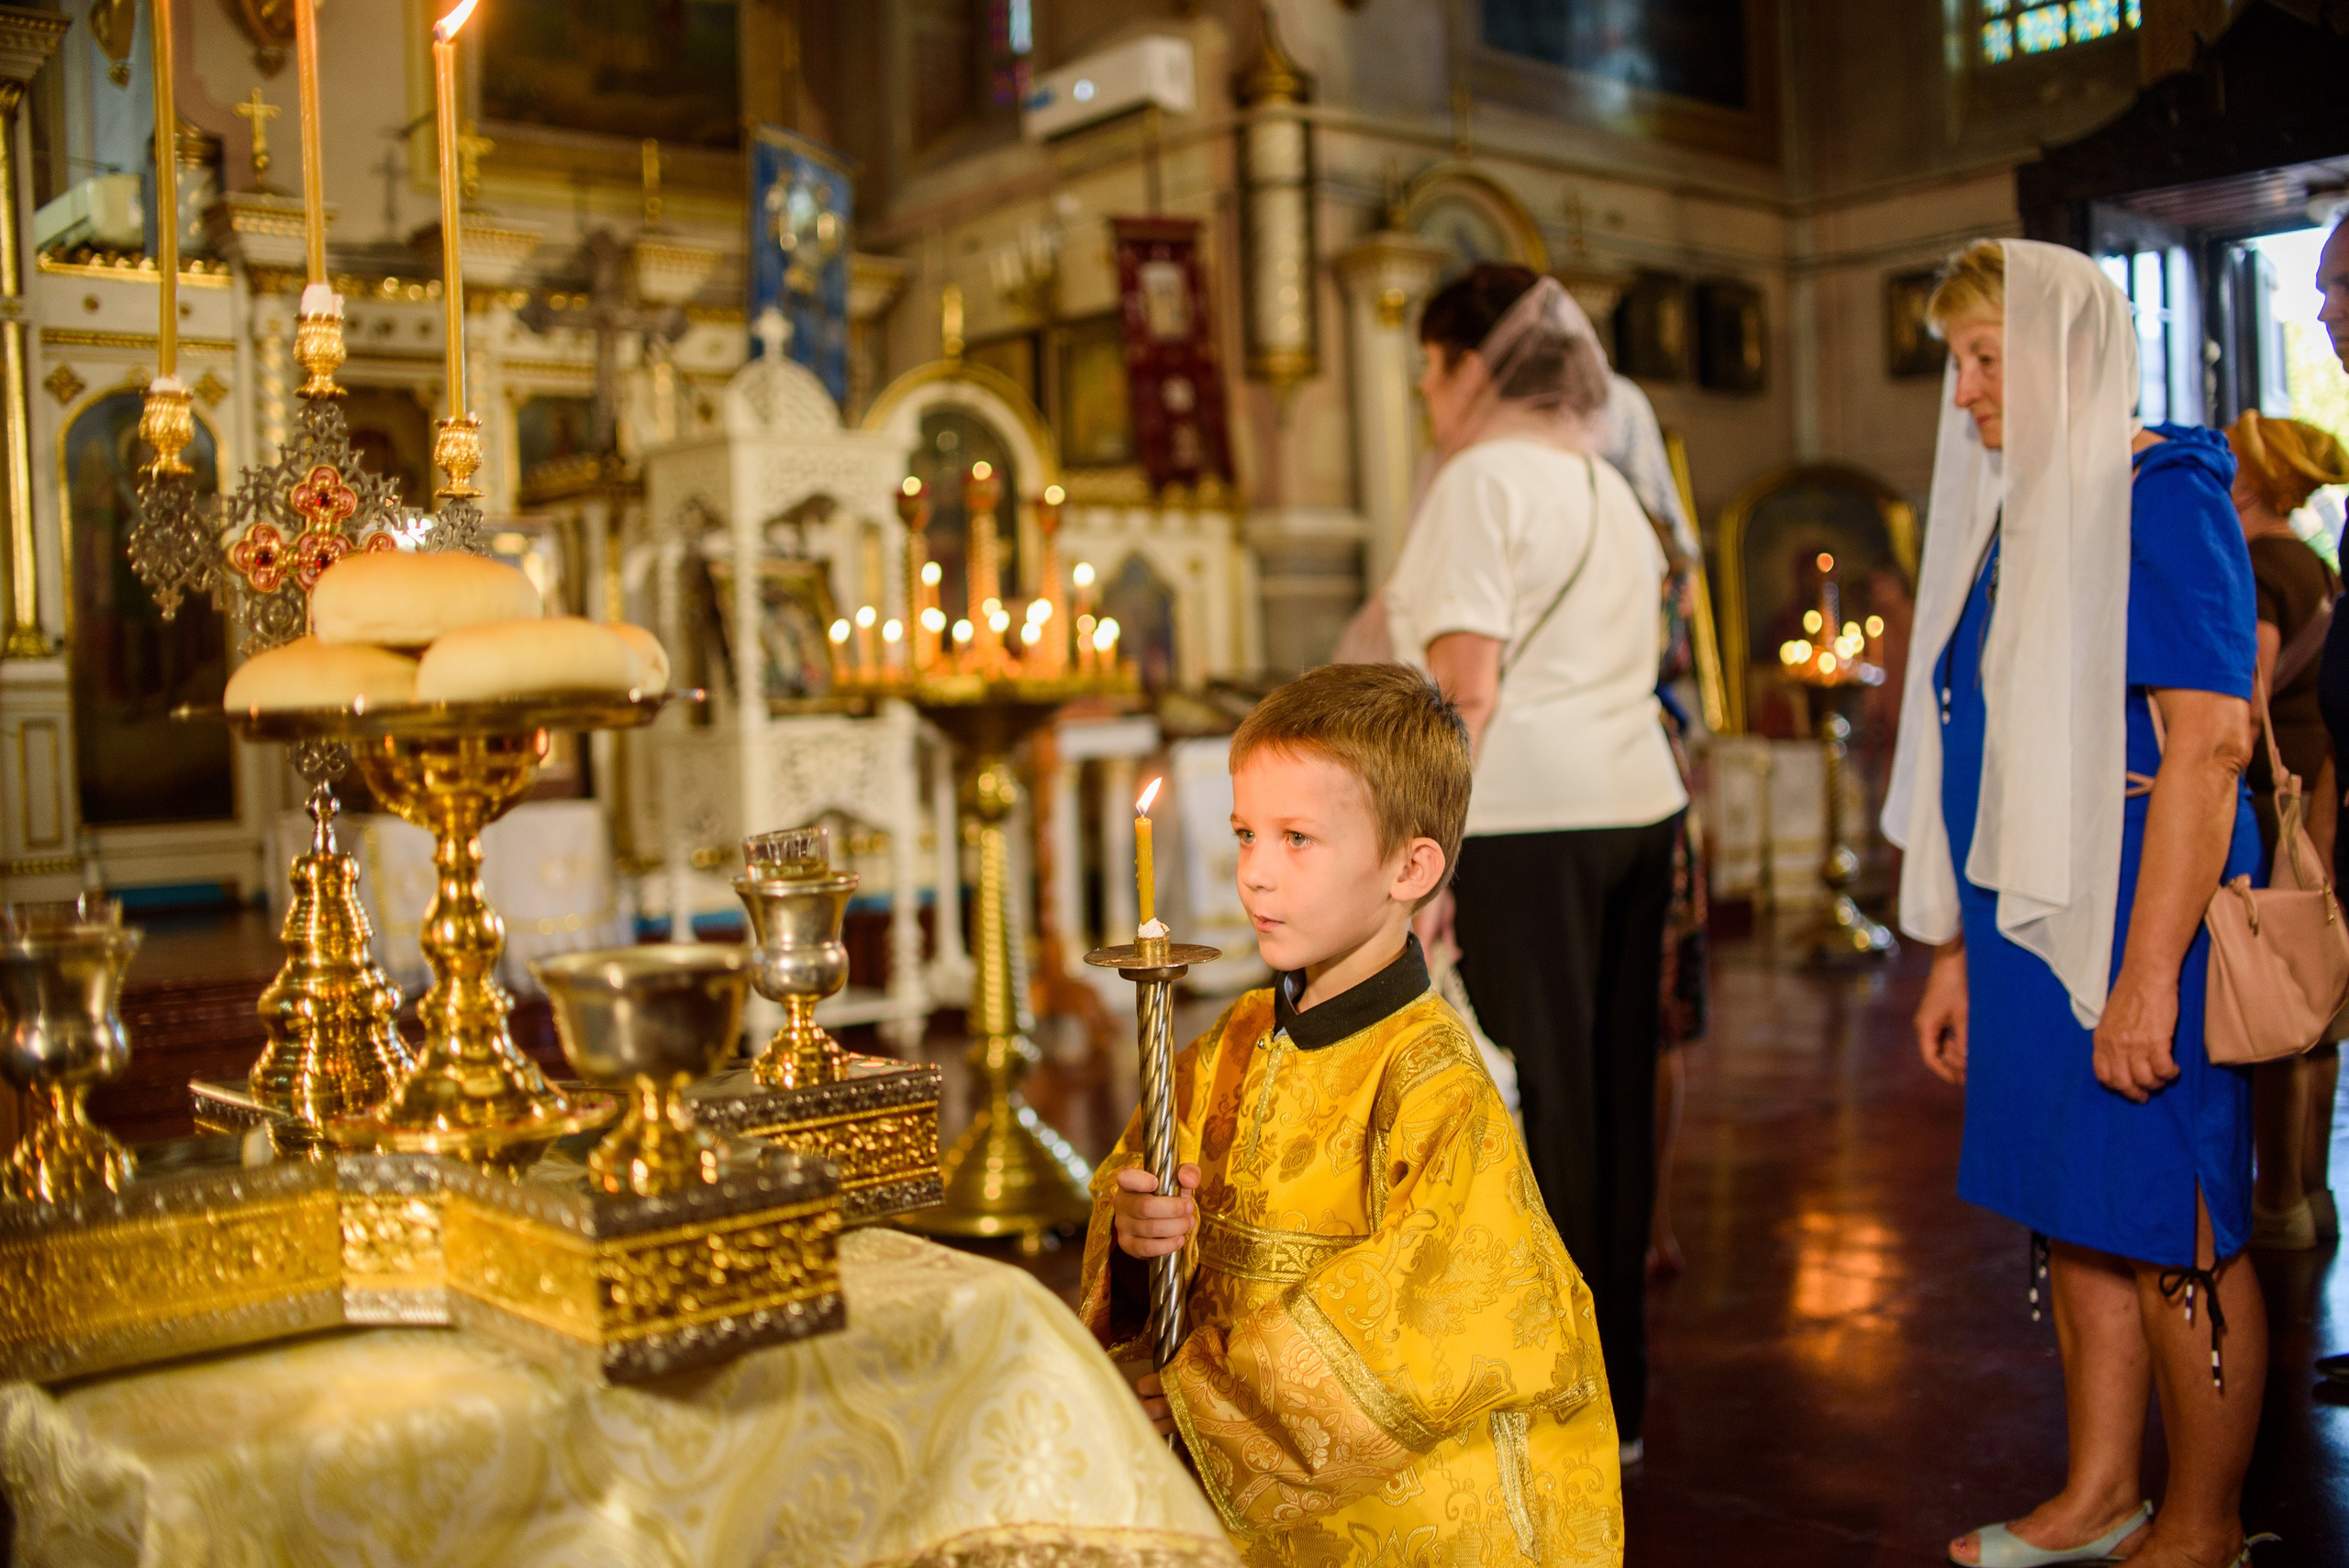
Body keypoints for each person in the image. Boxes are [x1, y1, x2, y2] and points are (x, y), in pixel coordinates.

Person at [1887, 239, 2267, 1568]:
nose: (1965, 395)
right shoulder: (2030, 507)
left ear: (2063, 350)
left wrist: (2151, 971)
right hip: (2030, 921)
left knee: (2175, 1224)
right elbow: (1982, 744)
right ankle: (2101, 1491)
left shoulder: (2163, 492)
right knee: (2079, 1213)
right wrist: (1951, 953)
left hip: (2131, 911)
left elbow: (2213, 741)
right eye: (1959, 363)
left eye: (1984, 360)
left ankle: (2207, 1525)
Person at [1078, 662, 1623, 1567]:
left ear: (1410, 866)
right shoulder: (1232, 1042)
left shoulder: (1433, 1080)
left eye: (1297, 839)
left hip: (1396, 1509)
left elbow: (1428, 1323)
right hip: (1241, 1488)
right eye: (1245, 832)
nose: (1253, 873)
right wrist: (1140, 1242)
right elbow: (1135, 1225)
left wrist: (1202, 1397)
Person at [1383, 264, 1688, 1464]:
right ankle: (1617, 1395)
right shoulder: (1607, 485)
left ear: (1473, 362)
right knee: (1610, 1097)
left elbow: (1466, 689)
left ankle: (1548, 1395)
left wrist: (1423, 855)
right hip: (1638, 807)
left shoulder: (1477, 484)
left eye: (1429, 360)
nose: (1423, 385)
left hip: (1527, 820)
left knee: (1531, 1098)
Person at [2226, 411, 2349, 1252]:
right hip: (2319, 787)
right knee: (2319, 1004)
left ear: (2257, 481)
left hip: (2278, 800)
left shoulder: (2263, 562)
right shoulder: (2313, 560)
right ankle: (2311, 1187)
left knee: (2273, 1000)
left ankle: (2278, 1202)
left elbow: (2253, 688)